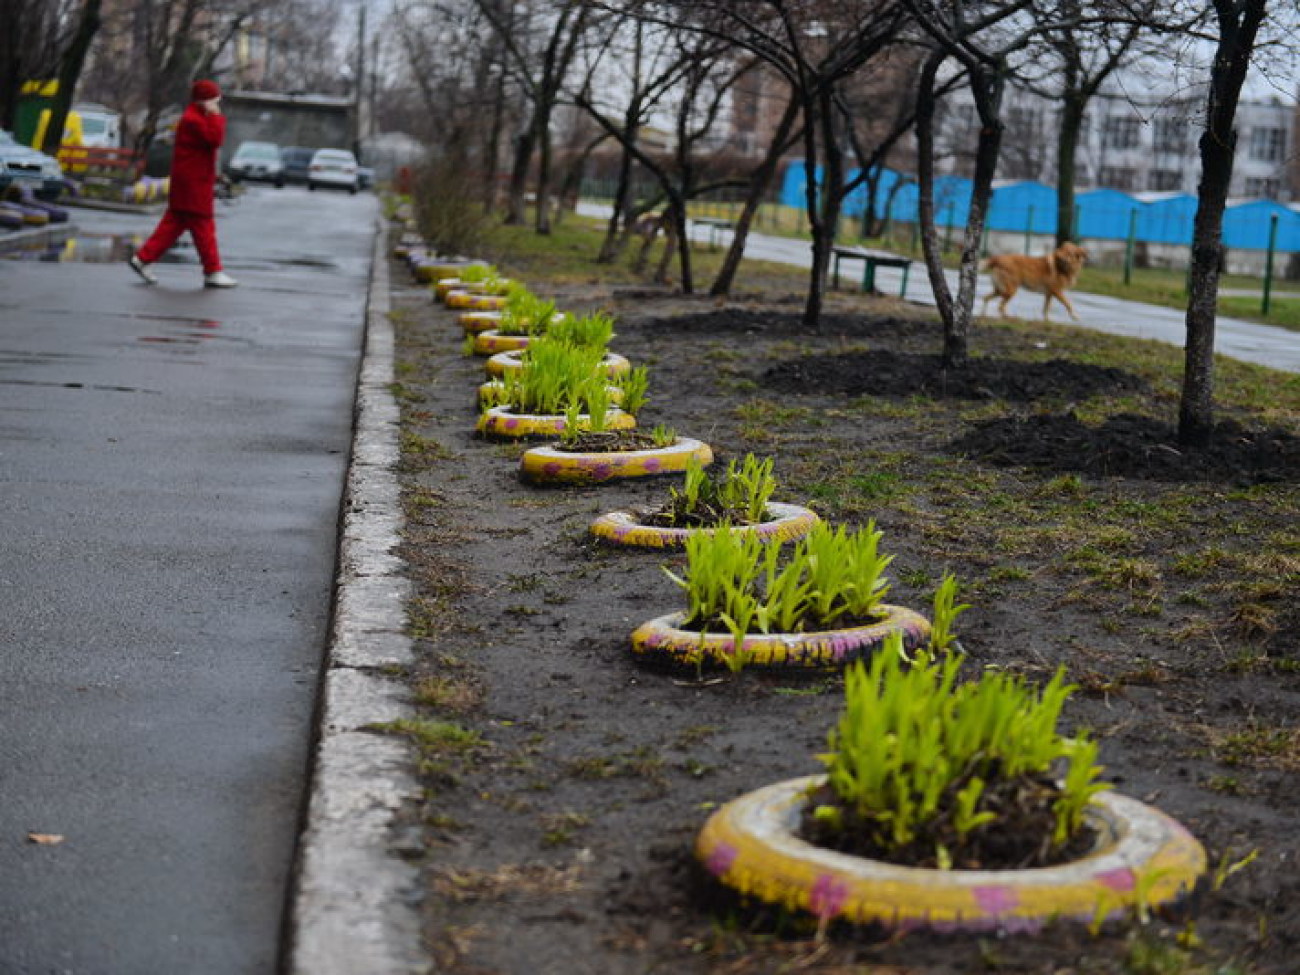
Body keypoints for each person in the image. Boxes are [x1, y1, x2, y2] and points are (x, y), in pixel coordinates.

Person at [128, 79, 237, 288]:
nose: (217, 105)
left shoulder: (193, 117)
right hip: (193, 184)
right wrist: (215, 116)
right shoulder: (195, 120)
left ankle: (142, 259)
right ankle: (213, 271)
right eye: (214, 100)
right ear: (205, 101)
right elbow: (215, 139)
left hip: (189, 182)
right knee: (203, 226)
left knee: (174, 224)